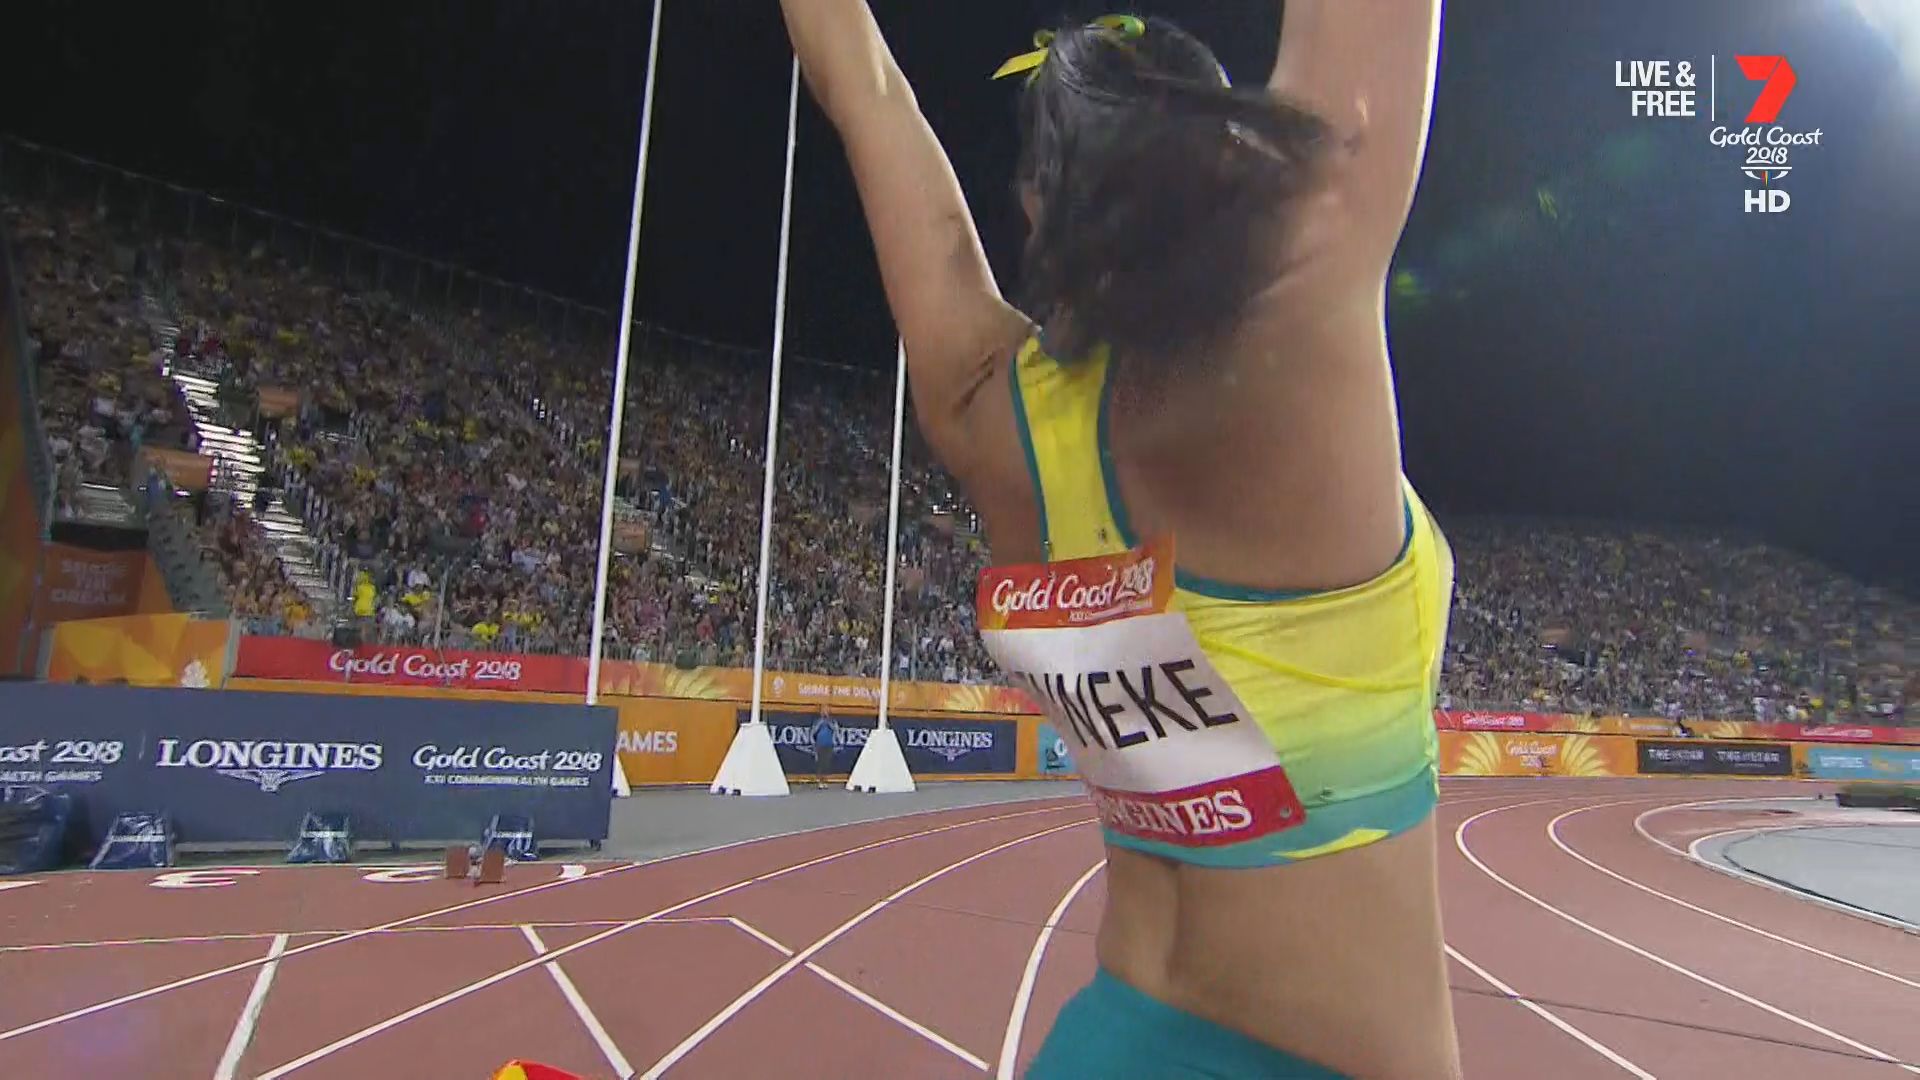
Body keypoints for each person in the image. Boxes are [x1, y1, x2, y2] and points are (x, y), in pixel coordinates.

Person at [776, 2, 1454, 1078]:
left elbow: (863, 87)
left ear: (1036, 206)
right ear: (1229, 153)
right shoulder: (1300, 317)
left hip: (1112, 1040)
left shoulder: (989, 410)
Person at [810, 706, 837, 788]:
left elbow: (835, 730)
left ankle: (825, 780)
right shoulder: (817, 721)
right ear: (821, 713)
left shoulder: (832, 721)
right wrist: (813, 742)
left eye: (826, 711)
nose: (825, 713)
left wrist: (829, 724)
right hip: (820, 744)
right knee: (820, 763)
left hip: (829, 744)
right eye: (823, 711)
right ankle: (820, 781)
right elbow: (813, 732)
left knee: (827, 763)